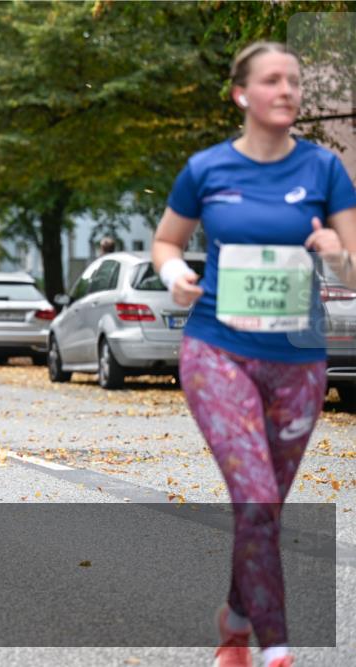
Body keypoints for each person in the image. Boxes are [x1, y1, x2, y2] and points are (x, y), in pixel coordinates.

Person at [152, 42, 356, 667]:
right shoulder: (206, 169)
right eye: (273, 80)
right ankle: (277, 647)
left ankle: (236, 622)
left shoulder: (324, 169)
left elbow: (355, 263)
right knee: (256, 496)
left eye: (294, 80)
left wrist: (336, 254)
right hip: (218, 351)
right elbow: (166, 241)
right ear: (242, 93)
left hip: (299, 361)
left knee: (265, 506)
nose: (287, 90)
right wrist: (174, 275)